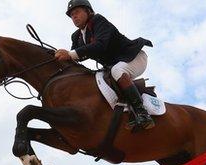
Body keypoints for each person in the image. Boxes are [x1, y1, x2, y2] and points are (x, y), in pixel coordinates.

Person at [55, 0, 155, 130]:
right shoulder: (76, 36)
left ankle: (142, 113)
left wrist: (70, 54)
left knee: (117, 71)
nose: (74, 16)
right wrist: (57, 56)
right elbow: (75, 58)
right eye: (71, 15)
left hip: (134, 56)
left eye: (77, 12)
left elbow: (100, 45)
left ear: (88, 11)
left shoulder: (98, 21)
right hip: (114, 64)